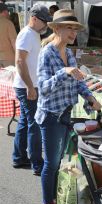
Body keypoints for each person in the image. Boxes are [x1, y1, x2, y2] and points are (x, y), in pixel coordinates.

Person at [35, 9, 101, 204]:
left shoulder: (69, 53)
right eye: (69, 28)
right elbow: (43, 89)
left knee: (59, 160)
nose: (74, 32)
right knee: (52, 164)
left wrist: (90, 98)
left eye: (75, 28)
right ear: (56, 28)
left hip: (65, 114)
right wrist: (63, 72)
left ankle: (58, 199)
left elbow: (79, 82)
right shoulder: (47, 53)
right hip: (50, 116)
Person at [12, 4, 51, 176]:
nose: (46, 25)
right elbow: (20, 61)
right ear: (34, 18)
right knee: (34, 125)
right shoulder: (27, 34)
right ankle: (37, 163)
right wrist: (29, 86)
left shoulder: (32, 34)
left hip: (28, 85)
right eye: (44, 21)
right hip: (27, 86)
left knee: (25, 123)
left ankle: (19, 157)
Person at [0, 3, 17, 67]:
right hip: (8, 59)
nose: (9, 14)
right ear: (5, 11)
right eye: (8, 12)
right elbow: (14, 41)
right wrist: (19, 56)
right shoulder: (8, 24)